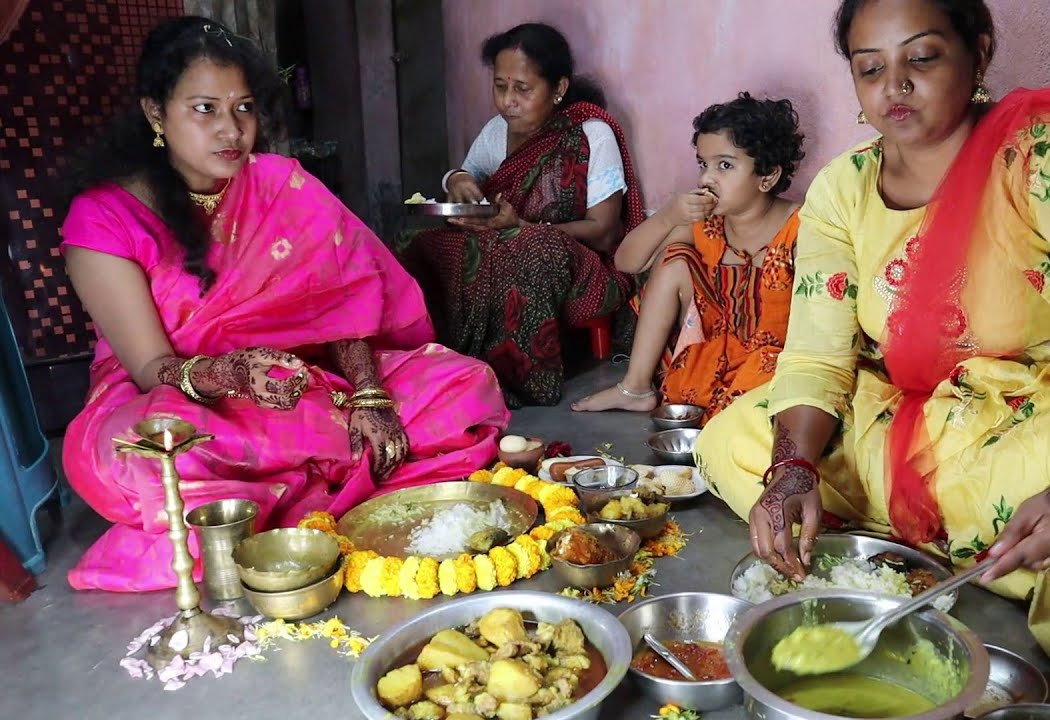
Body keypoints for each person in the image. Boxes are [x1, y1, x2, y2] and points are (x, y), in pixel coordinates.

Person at [694, 0, 1050, 683]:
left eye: (921, 58)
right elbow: (815, 355)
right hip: (903, 418)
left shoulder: (1040, 160)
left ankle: (905, 538)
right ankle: (957, 547)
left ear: (977, 54)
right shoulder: (842, 188)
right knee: (731, 437)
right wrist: (791, 473)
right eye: (870, 67)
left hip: (1028, 423)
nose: (895, 86)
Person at [59, 17, 509, 592]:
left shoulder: (278, 183)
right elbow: (149, 369)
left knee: (464, 383)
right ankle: (322, 468)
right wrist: (232, 373)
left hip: (305, 380)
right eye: (205, 109)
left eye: (244, 108)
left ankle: (289, 482)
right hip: (184, 397)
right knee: (137, 459)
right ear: (155, 113)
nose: (232, 130)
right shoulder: (103, 217)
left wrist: (370, 397)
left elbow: (341, 301)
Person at [400, 23, 646, 408]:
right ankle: (443, 365)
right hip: (505, 238)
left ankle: (520, 378)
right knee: (421, 244)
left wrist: (523, 225)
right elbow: (469, 179)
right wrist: (459, 179)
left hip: (579, 260)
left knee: (529, 245)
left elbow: (604, 232)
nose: (508, 101)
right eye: (500, 86)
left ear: (559, 88)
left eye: (523, 89)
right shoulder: (497, 131)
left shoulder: (590, 133)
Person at [572, 93, 805, 421]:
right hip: (717, 349)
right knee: (675, 257)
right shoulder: (708, 224)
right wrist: (668, 216)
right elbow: (626, 263)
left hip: (779, 358)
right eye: (703, 164)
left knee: (754, 413)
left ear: (767, 177)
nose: (706, 178)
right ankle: (635, 387)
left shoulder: (802, 226)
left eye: (725, 165)